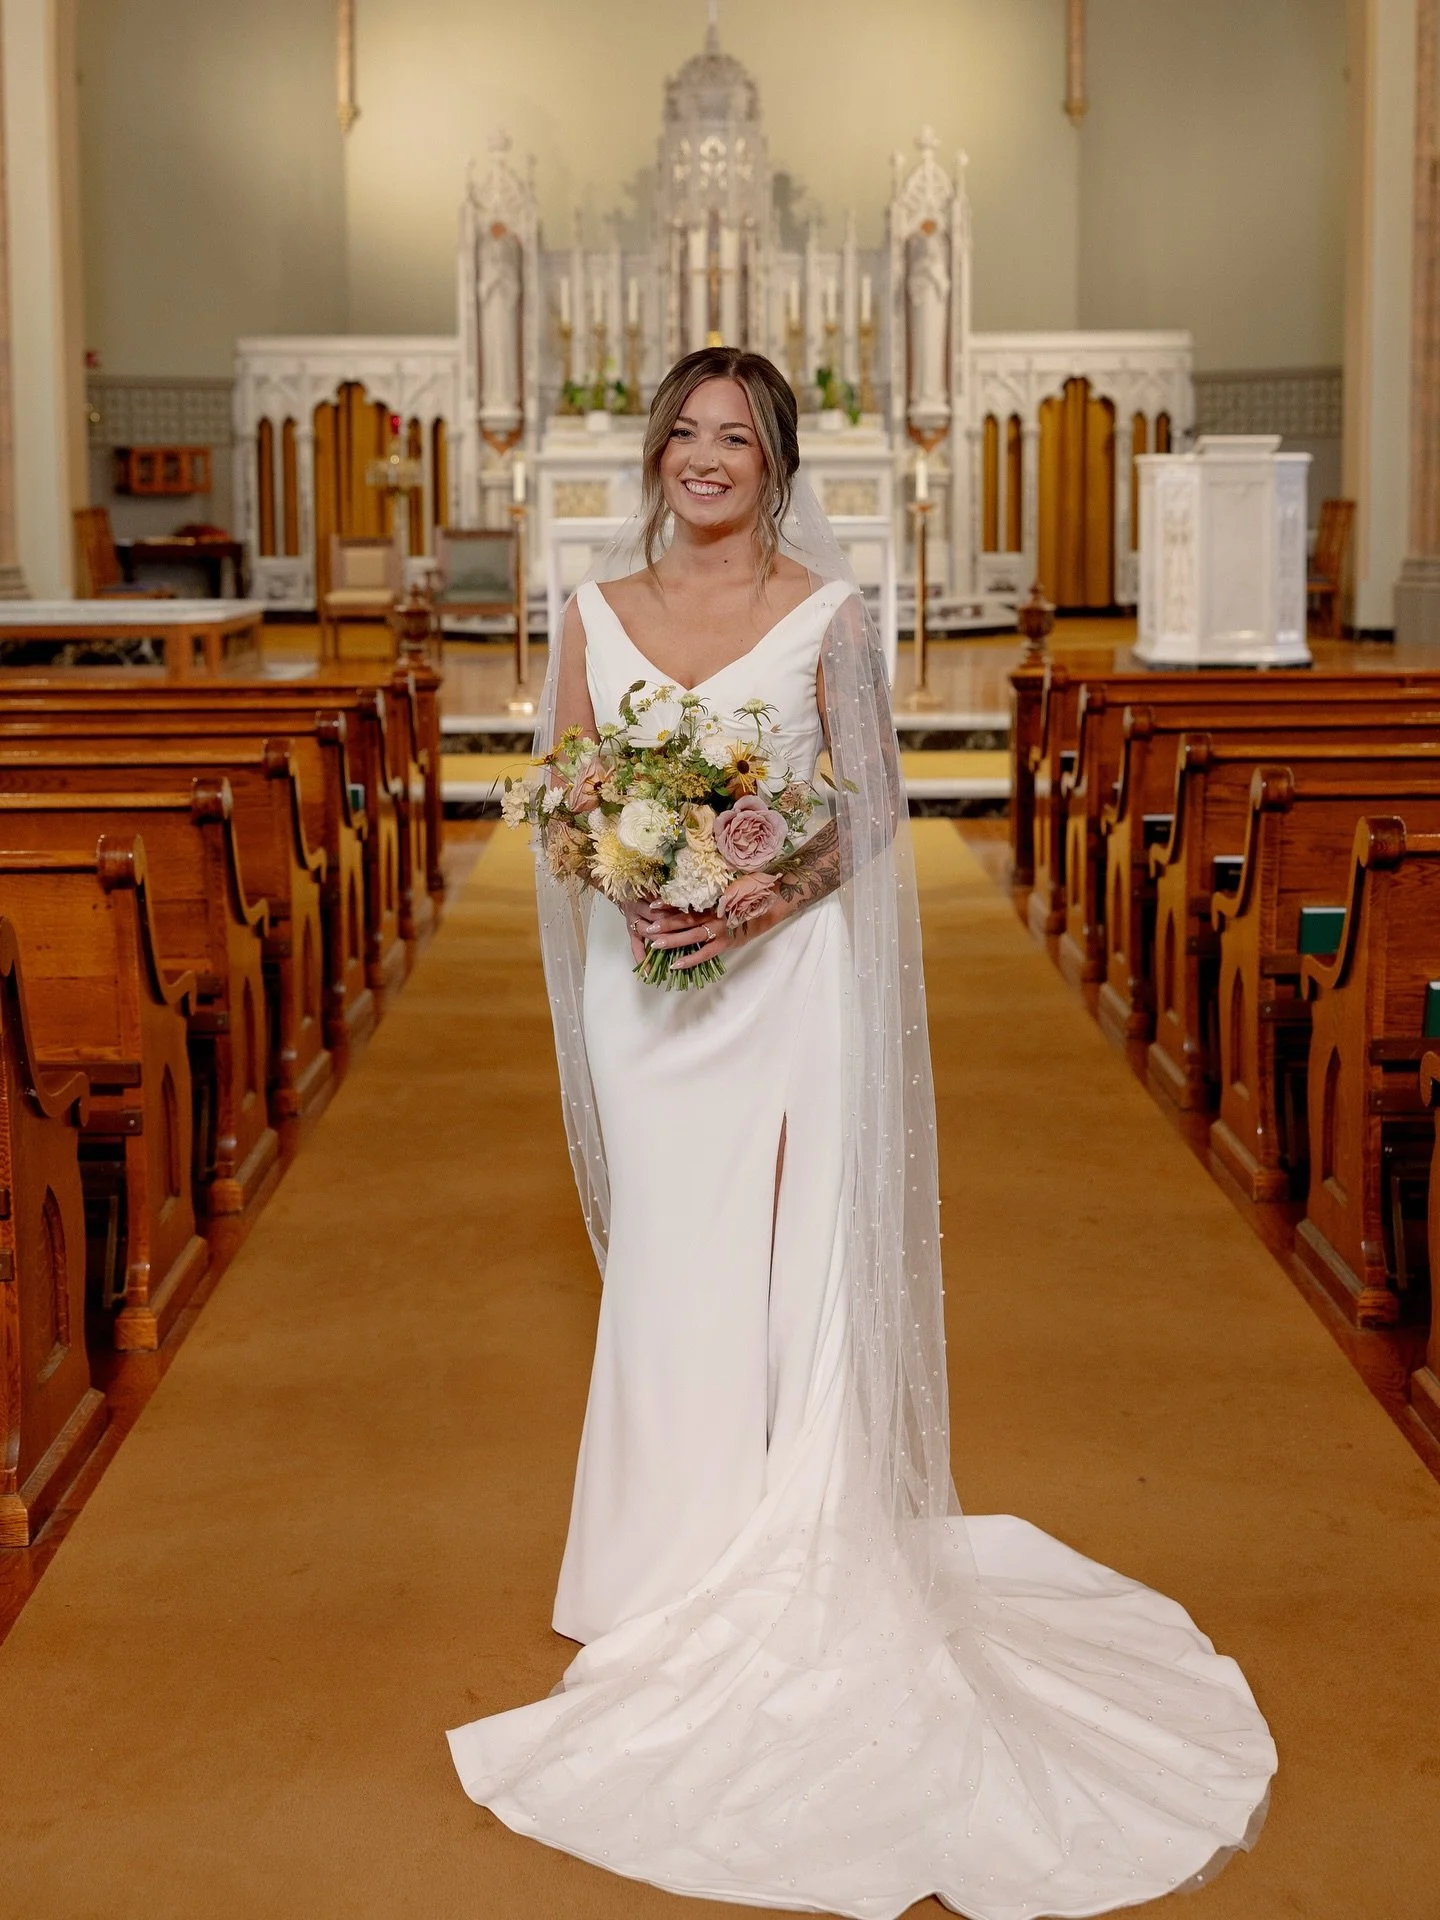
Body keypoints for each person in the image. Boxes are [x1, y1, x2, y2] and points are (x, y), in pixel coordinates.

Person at [447, 346, 1276, 1920]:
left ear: (774, 463)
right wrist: (629, 875)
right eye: (684, 433)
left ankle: (787, 1526)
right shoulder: (591, 608)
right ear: (653, 453)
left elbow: (873, 804)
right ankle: (650, 1560)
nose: (706, 459)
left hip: (787, 980)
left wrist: (768, 887)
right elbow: (563, 781)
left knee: (789, 1252)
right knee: (673, 1258)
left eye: (736, 438)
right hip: (649, 990)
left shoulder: (829, 614)